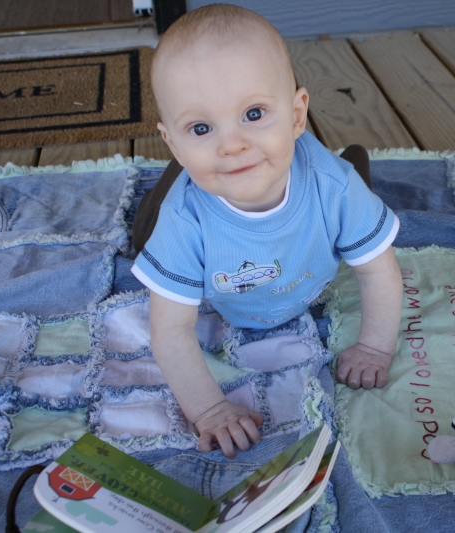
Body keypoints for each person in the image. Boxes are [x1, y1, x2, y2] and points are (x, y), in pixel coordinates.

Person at [130, 4, 403, 458]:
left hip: (320, 200)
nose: (232, 144)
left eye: (253, 114)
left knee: (348, 194)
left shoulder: (330, 187)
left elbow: (378, 271)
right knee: (143, 238)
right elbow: (170, 331)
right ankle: (172, 177)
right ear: (173, 142)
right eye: (200, 127)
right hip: (191, 214)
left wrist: (375, 348)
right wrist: (209, 410)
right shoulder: (184, 222)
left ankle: (354, 161)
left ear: (298, 116)